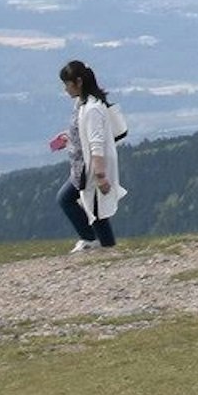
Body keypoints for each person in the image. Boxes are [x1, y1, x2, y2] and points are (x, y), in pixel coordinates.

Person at [50, 59, 128, 253]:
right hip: (84, 165)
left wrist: (101, 176)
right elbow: (84, 135)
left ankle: (90, 239)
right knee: (97, 209)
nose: (65, 89)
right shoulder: (84, 103)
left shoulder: (92, 108)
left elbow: (96, 143)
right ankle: (107, 247)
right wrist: (68, 139)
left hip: (90, 166)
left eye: (67, 84)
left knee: (68, 199)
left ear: (78, 82)